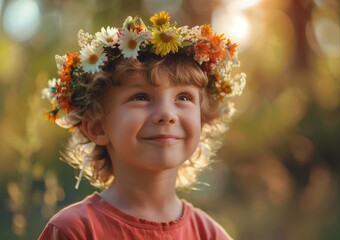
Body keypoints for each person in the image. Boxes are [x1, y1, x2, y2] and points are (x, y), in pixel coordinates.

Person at [38, 11, 246, 240]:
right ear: (98, 127)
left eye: (184, 98)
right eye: (141, 97)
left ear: (202, 121)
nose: (167, 115)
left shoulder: (211, 235)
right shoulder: (74, 231)